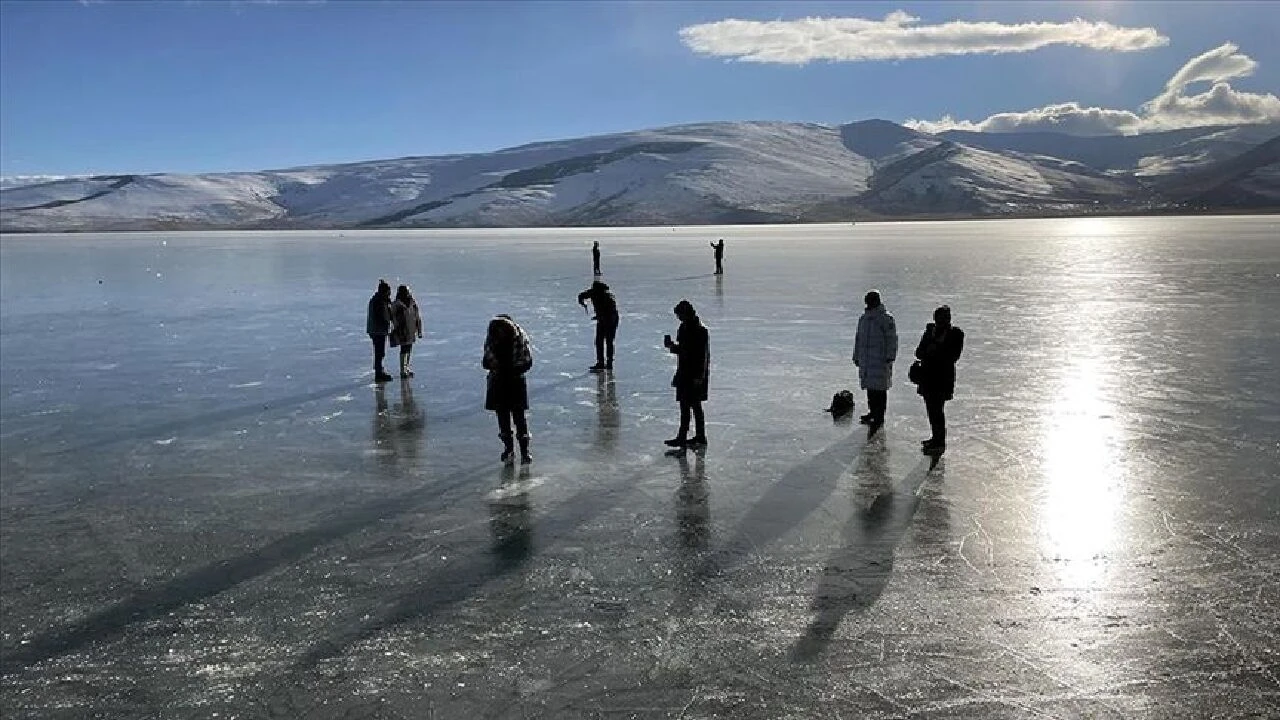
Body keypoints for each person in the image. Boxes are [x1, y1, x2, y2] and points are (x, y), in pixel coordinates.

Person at [483, 314, 534, 464]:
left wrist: (498, 368)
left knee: (507, 417)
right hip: (513, 381)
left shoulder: (493, 338)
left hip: (501, 381)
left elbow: (486, 362)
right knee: (516, 417)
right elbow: (527, 361)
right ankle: (521, 452)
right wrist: (514, 370)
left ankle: (512, 450)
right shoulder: (519, 338)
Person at [914, 305, 964, 454]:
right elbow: (918, 352)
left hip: (942, 380)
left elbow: (953, 357)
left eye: (943, 318)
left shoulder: (956, 334)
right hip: (927, 378)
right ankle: (935, 437)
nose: (940, 321)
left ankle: (939, 441)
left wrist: (935, 351)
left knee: (937, 410)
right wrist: (928, 350)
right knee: (931, 409)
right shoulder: (930, 331)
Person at [663, 300, 710, 448]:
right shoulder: (685, 327)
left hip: (693, 373)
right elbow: (684, 350)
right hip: (684, 371)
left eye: (679, 315)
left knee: (692, 405)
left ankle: (688, 437)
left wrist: (699, 376)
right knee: (690, 405)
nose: (679, 318)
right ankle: (696, 436)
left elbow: (702, 356)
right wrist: (671, 346)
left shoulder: (699, 330)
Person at [852, 290, 898, 430]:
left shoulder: (885, 318)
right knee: (871, 389)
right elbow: (858, 339)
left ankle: (879, 416)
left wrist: (890, 356)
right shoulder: (864, 319)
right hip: (866, 359)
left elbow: (892, 339)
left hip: (880, 360)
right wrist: (856, 356)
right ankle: (872, 412)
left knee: (880, 390)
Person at [577, 280, 619, 371]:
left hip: (610, 319)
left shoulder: (606, 296)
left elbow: (609, 311)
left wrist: (601, 317)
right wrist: (582, 302)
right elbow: (582, 295)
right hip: (605, 318)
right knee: (600, 341)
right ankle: (602, 362)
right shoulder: (596, 292)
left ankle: (609, 363)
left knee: (608, 341)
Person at [390, 285, 423, 379]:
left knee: (409, 349)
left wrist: (419, 330)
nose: (408, 293)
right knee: (404, 349)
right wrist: (394, 328)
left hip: (411, 329)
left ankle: (406, 367)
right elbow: (392, 317)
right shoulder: (396, 304)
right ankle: (402, 370)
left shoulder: (412, 303)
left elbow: (417, 317)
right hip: (402, 330)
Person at [366, 279, 394, 382]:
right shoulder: (379, 301)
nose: (390, 293)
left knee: (379, 352)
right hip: (378, 331)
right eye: (388, 291)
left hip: (377, 330)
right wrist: (390, 324)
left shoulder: (380, 299)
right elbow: (383, 316)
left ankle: (379, 370)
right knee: (379, 352)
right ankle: (379, 373)